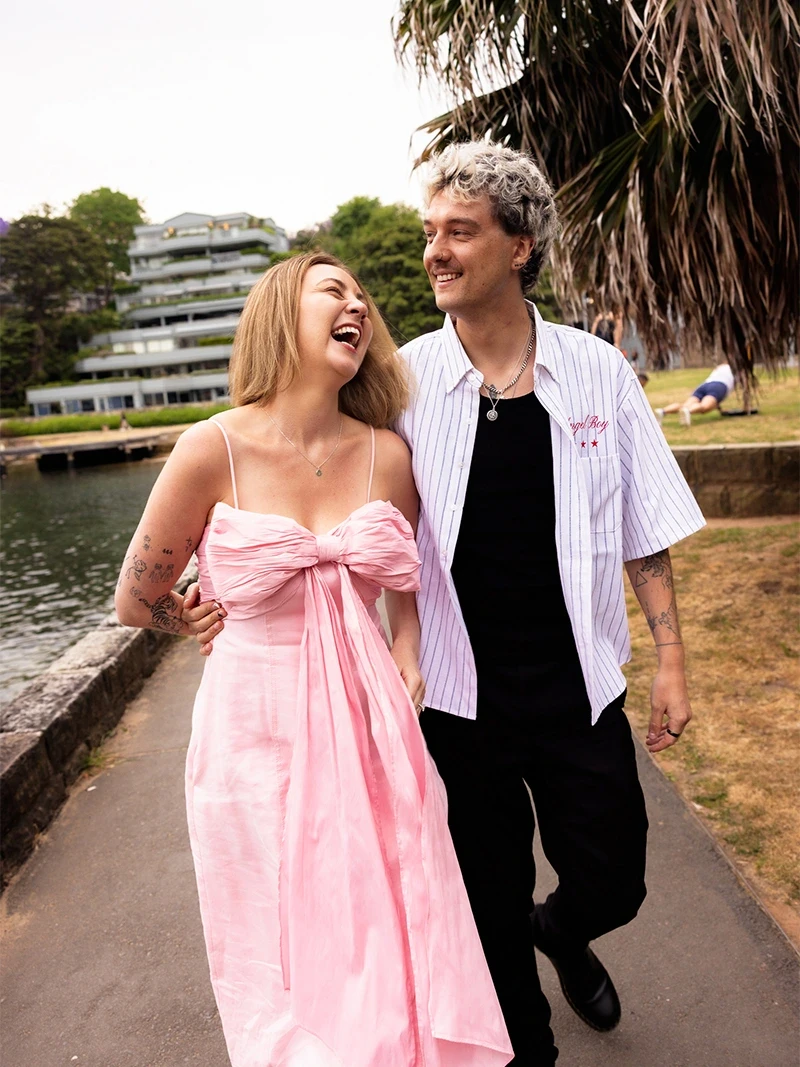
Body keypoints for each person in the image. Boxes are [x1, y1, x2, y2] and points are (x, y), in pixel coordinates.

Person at [189, 144, 706, 1066]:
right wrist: (219, 581)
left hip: (580, 686)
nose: (435, 250)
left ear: (520, 246)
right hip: (454, 701)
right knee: (486, 909)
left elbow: (644, 528)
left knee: (615, 878)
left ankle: (565, 927)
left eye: (459, 232)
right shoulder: (400, 385)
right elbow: (314, 472)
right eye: (430, 231)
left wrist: (670, 658)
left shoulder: (598, 372)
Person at [116, 251, 513, 1067]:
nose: (357, 307)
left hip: (368, 725)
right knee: (278, 950)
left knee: (389, 922)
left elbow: (402, 579)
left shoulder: (387, 455)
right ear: (278, 316)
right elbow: (136, 597)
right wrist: (182, 617)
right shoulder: (210, 448)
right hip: (251, 737)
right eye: (334, 291)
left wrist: (408, 649)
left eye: (363, 299)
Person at [655, 363, 734, 425]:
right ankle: (688, 411)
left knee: (685, 405)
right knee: (704, 407)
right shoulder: (737, 369)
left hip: (705, 384)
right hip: (720, 386)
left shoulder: (722, 366)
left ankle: (662, 411)